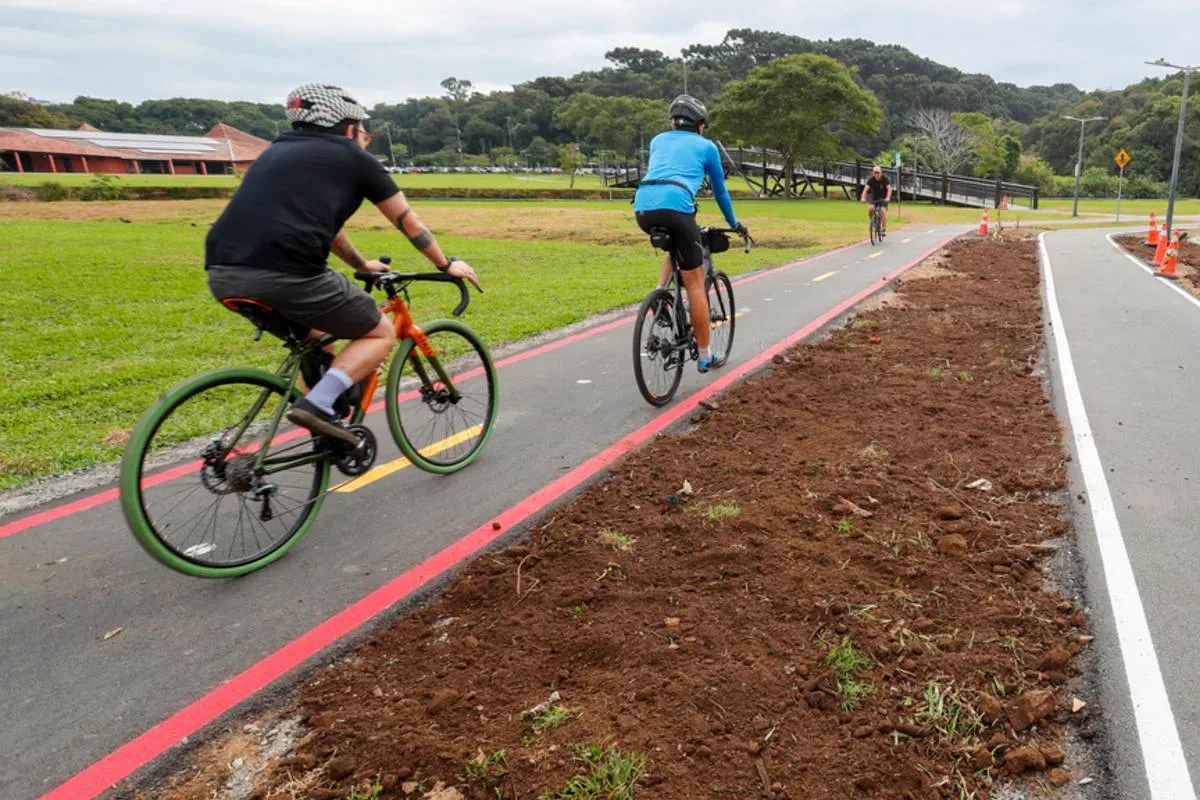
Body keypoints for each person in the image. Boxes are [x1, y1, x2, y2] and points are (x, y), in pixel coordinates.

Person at [204, 83, 479, 444]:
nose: (365, 140)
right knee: (380, 332)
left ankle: (327, 432)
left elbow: (328, 231)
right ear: (350, 128)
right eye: (365, 132)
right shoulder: (354, 158)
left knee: (317, 340)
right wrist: (445, 264)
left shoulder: (274, 153)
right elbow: (407, 221)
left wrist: (362, 263)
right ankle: (318, 406)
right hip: (289, 274)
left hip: (223, 274)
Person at [633, 94, 747, 373]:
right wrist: (734, 223)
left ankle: (660, 295)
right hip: (677, 207)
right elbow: (720, 191)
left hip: (643, 208)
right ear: (700, 125)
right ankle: (705, 355)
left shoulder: (657, 140)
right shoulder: (707, 146)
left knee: (675, 249)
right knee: (695, 284)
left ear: (673, 122)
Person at [860, 165, 893, 236]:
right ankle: (873, 222)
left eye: (878, 173)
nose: (877, 174)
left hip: (883, 198)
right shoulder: (871, 179)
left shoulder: (885, 179)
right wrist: (863, 197)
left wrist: (888, 197)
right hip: (874, 198)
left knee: (882, 211)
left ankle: (883, 229)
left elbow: (889, 188)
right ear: (873, 173)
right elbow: (865, 189)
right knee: (870, 209)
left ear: (881, 173)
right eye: (875, 173)